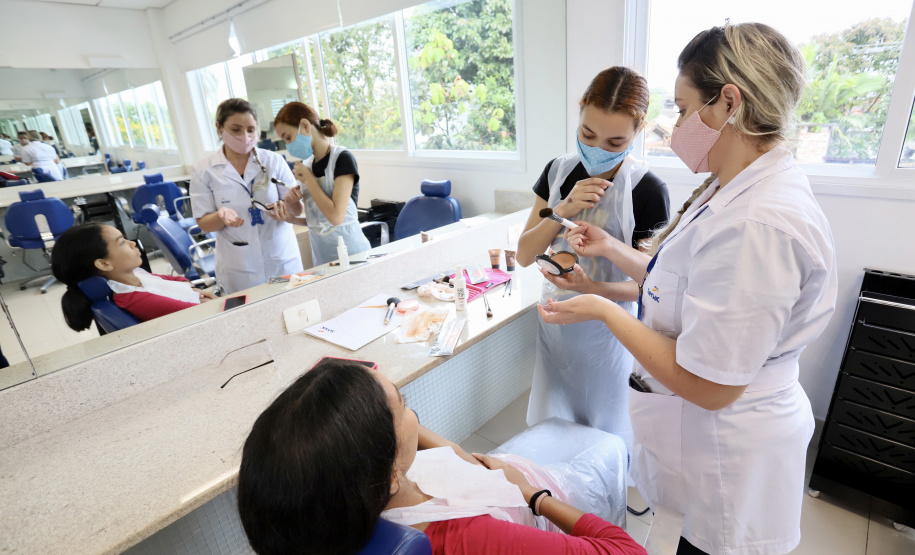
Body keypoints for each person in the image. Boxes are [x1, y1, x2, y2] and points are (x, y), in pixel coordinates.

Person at [540, 23, 838, 555]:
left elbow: (711, 385)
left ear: (729, 103)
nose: (676, 125)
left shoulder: (757, 223)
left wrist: (604, 312)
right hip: (712, 439)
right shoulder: (734, 190)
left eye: (681, 109)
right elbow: (670, 283)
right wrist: (610, 249)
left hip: (735, 448)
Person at [237, 358, 647, 555]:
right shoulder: (466, 538)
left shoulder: (339, 506)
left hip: (488, 480)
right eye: (404, 404)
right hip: (537, 494)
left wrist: (392, 420)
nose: (414, 416)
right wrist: (533, 495)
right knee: (609, 448)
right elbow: (627, 551)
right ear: (389, 473)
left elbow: (455, 460)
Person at [517, 66, 669, 448]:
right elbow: (523, 254)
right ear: (580, 112)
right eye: (588, 134)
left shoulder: (648, 190)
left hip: (610, 335)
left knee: (603, 438)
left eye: (615, 142)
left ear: (639, 131)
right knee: (554, 430)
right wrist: (563, 209)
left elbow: (648, 286)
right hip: (555, 324)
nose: (598, 148)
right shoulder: (556, 172)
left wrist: (593, 288)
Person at [190, 98, 303, 294]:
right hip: (238, 267)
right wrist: (220, 216)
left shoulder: (273, 161)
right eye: (236, 129)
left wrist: (288, 208)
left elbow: (297, 209)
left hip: (281, 257)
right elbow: (204, 223)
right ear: (219, 127)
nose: (245, 136)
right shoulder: (204, 170)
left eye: (251, 129)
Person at [51, 223, 217, 331]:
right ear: (104, 264)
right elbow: (202, 311)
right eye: (122, 242)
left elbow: (173, 280)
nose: (133, 243)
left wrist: (195, 291)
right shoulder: (132, 298)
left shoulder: (136, 275)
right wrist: (200, 298)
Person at [273, 101, 370, 266]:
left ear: (305, 125)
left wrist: (310, 181)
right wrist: (290, 217)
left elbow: (336, 217)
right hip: (323, 260)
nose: (289, 146)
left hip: (353, 256)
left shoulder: (342, 159)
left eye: (288, 138)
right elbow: (318, 223)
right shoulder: (308, 164)